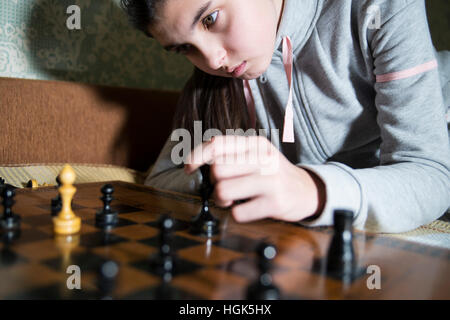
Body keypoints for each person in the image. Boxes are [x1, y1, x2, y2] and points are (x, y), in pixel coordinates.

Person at [120, 0, 450, 233]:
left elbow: (432, 175)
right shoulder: (218, 79)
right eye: (184, 48)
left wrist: (311, 191)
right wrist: (231, 176)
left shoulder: (379, 6)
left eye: (211, 18)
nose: (212, 58)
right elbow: (161, 179)